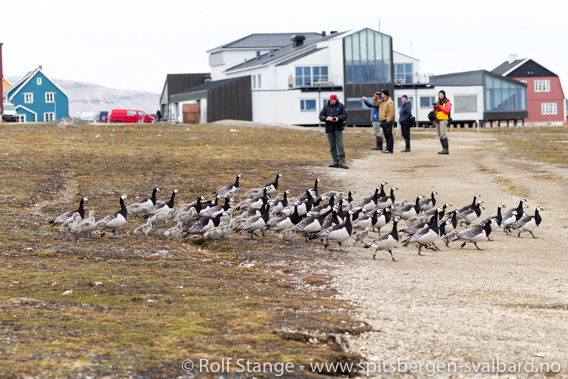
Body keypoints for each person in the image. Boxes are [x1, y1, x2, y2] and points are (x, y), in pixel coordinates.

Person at [319, 94, 349, 169]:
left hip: (338, 128)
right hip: (329, 128)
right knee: (332, 145)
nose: (333, 101)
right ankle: (335, 160)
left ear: (336, 99)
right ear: (330, 99)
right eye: (332, 100)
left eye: (334, 100)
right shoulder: (326, 106)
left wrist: (338, 118)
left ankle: (342, 161)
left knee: (340, 145)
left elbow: (345, 115)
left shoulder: (341, 106)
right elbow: (320, 116)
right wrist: (326, 118)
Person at [433, 90, 451, 154]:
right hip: (437, 120)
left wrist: (439, 106)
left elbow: (447, 111)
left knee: (443, 135)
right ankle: (443, 149)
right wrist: (435, 107)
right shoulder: (437, 102)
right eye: (439, 95)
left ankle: (446, 150)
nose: (440, 96)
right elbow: (434, 111)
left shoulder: (447, 103)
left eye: (441, 95)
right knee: (439, 135)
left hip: (443, 119)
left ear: (444, 95)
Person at [378, 89, 395, 154]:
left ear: (385, 94)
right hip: (383, 121)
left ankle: (390, 149)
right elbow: (374, 103)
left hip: (387, 121)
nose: (381, 94)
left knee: (389, 135)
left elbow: (391, 113)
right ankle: (387, 148)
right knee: (386, 135)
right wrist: (375, 97)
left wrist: (388, 120)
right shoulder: (381, 101)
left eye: (382, 93)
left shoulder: (390, 102)